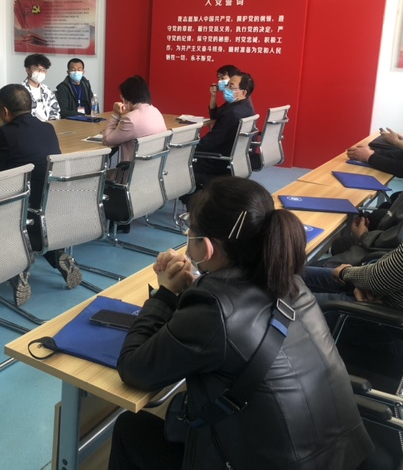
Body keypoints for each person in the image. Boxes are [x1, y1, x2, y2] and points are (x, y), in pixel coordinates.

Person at [109, 177, 372, 469]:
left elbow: (133, 369)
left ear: (207, 247)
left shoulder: (212, 309)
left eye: (189, 229)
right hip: (341, 457)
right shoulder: (289, 280)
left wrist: (166, 294)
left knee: (130, 428)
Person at [305, 112, 403, 326]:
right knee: (289, 276)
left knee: (284, 297)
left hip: (392, 319)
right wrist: (363, 277)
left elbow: (382, 278)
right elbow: (393, 271)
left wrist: (345, 272)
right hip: (389, 294)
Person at [0, 84, 82, 306]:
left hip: (19, 205)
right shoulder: (47, 128)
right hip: (49, 204)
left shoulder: (4, 134)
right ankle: (56, 255)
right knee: (25, 216)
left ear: (4, 111)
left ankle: (16, 270)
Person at [193, 71, 256, 185]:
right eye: (227, 85)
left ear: (243, 92)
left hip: (218, 161)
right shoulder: (244, 106)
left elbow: (211, 142)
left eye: (231, 86)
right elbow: (215, 115)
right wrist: (213, 96)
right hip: (235, 159)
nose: (226, 88)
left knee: (179, 160)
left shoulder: (233, 113)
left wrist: (189, 149)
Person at [102, 75, 166, 162]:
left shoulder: (130, 119)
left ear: (127, 98)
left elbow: (106, 140)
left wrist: (115, 115)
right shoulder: (156, 111)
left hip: (132, 168)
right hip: (154, 166)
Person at [21, 53, 60, 121]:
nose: (40, 72)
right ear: (27, 70)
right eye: (36, 69)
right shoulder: (20, 90)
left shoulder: (47, 90)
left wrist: (52, 122)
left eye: (43, 70)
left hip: (48, 124)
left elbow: (55, 110)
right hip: (30, 125)